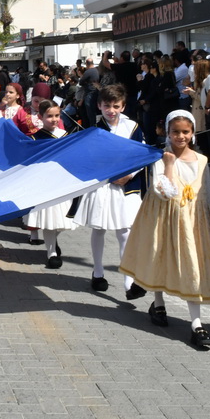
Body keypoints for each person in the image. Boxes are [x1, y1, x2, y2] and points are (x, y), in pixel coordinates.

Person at [121, 110, 210, 349]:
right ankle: (158, 302)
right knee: (161, 257)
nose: (181, 136)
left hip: (192, 221)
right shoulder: (161, 159)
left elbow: (206, 193)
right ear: (167, 132)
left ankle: (196, 324)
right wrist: (169, 165)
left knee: (192, 268)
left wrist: (209, 222)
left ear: (193, 133)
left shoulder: (202, 160)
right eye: (175, 132)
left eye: (185, 132)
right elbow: (165, 192)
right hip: (164, 215)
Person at [74, 83, 146, 296]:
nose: (111, 110)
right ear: (99, 106)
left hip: (126, 186)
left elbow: (142, 154)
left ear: (123, 106)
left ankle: (128, 281)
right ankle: (97, 272)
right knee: (99, 228)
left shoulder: (133, 127)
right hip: (104, 185)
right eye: (107, 106)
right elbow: (91, 159)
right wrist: (110, 175)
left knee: (125, 232)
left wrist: (130, 175)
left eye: (116, 106)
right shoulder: (94, 130)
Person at [22, 101, 74, 269]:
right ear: (41, 117)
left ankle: (53, 243)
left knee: (62, 221)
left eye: (57, 116)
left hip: (63, 183)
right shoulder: (35, 138)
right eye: (49, 116)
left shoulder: (66, 135)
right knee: (49, 219)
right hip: (44, 185)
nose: (53, 119)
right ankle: (51, 252)